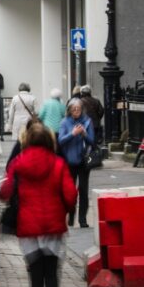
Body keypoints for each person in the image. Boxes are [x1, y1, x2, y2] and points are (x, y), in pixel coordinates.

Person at [0, 123, 77, 287]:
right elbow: (70, 194)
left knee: (36, 276)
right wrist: (67, 210)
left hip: (29, 228)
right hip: (53, 227)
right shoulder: (59, 163)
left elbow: (5, 192)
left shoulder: (18, 163)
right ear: (49, 141)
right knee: (51, 274)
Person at [58, 98, 95, 228]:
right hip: (69, 161)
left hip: (84, 161)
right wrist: (72, 134)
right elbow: (61, 141)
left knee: (83, 191)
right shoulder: (64, 122)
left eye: (78, 108)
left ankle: (83, 219)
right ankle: (71, 216)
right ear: (69, 110)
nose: (76, 111)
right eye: (74, 109)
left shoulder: (87, 121)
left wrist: (84, 134)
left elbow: (92, 141)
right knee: (70, 191)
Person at [80, 85, 104, 160]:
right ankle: (95, 157)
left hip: (84, 125)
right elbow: (101, 111)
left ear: (82, 93)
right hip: (95, 124)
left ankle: (88, 158)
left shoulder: (80, 102)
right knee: (94, 141)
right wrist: (97, 118)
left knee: (86, 142)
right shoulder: (96, 101)